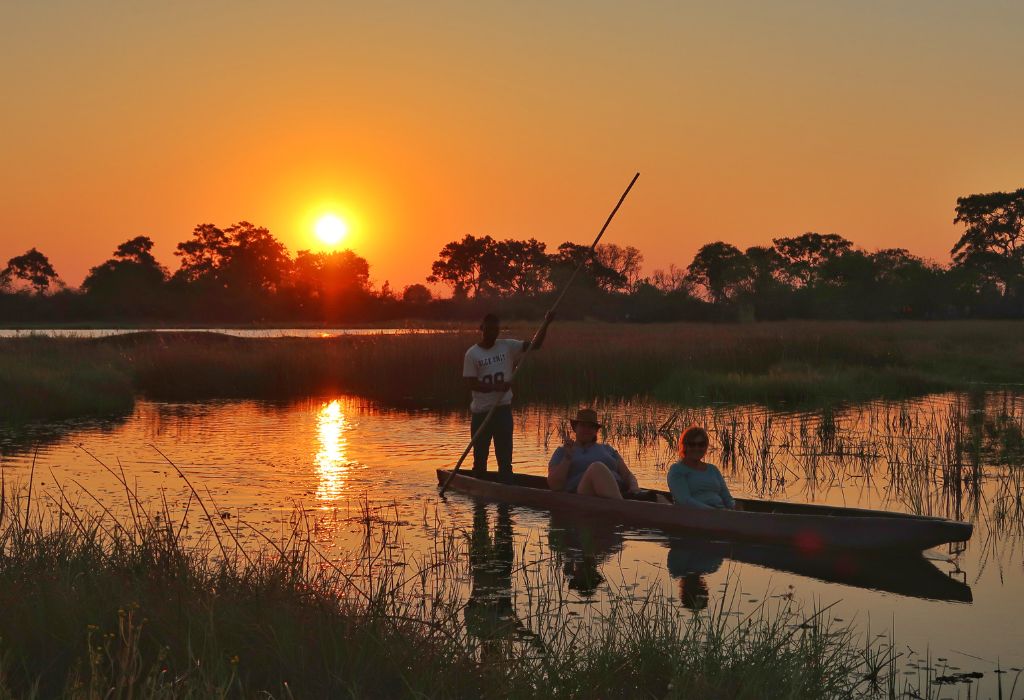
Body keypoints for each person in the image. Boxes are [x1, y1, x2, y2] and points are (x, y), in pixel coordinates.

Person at [463, 312, 552, 478]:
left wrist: (546, 323)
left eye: (495, 330)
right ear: (481, 329)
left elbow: (535, 345)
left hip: (502, 410)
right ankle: (479, 498)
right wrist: (496, 387)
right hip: (481, 412)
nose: (492, 333)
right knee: (480, 459)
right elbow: (472, 384)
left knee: (505, 459)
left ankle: (505, 493)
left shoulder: (507, 346)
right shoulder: (472, 354)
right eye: (488, 329)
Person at [547, 408, 639, 498]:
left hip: (618, 491)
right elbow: (555, 485)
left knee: (597, 467)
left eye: (591, 426)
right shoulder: (562, 451)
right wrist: (567, 458)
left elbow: (627, 475)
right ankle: (623, 507)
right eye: (583, 425)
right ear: (575, 428)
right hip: (583, 494)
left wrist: (634, 486)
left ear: (596, 430)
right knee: (596, 468)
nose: (587, 429)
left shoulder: (608, 449)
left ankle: (623, 505)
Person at [667, 426, 736, 509]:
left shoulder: (712, 469)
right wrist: (715, 512)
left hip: (720, 513)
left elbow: (727, 498)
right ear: (685, 446)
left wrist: (733, 509)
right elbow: (685, 501)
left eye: (701, 444)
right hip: (696, 516)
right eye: (692, 444)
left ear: (706, 446)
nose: (697, 448)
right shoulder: (677, 470)